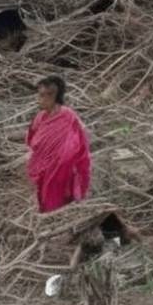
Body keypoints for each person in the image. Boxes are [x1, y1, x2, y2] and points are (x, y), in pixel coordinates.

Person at [26, 76, 91, 213]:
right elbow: (31, 140)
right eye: (39, 95)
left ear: (53, 96)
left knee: (56, 203)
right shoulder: (40, 117)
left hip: (61, 170)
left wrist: (61, 162)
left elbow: (79, 142)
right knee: (41, 201)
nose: (39, 99)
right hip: (40, 168)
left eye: (43, 95)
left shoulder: (68, 116)